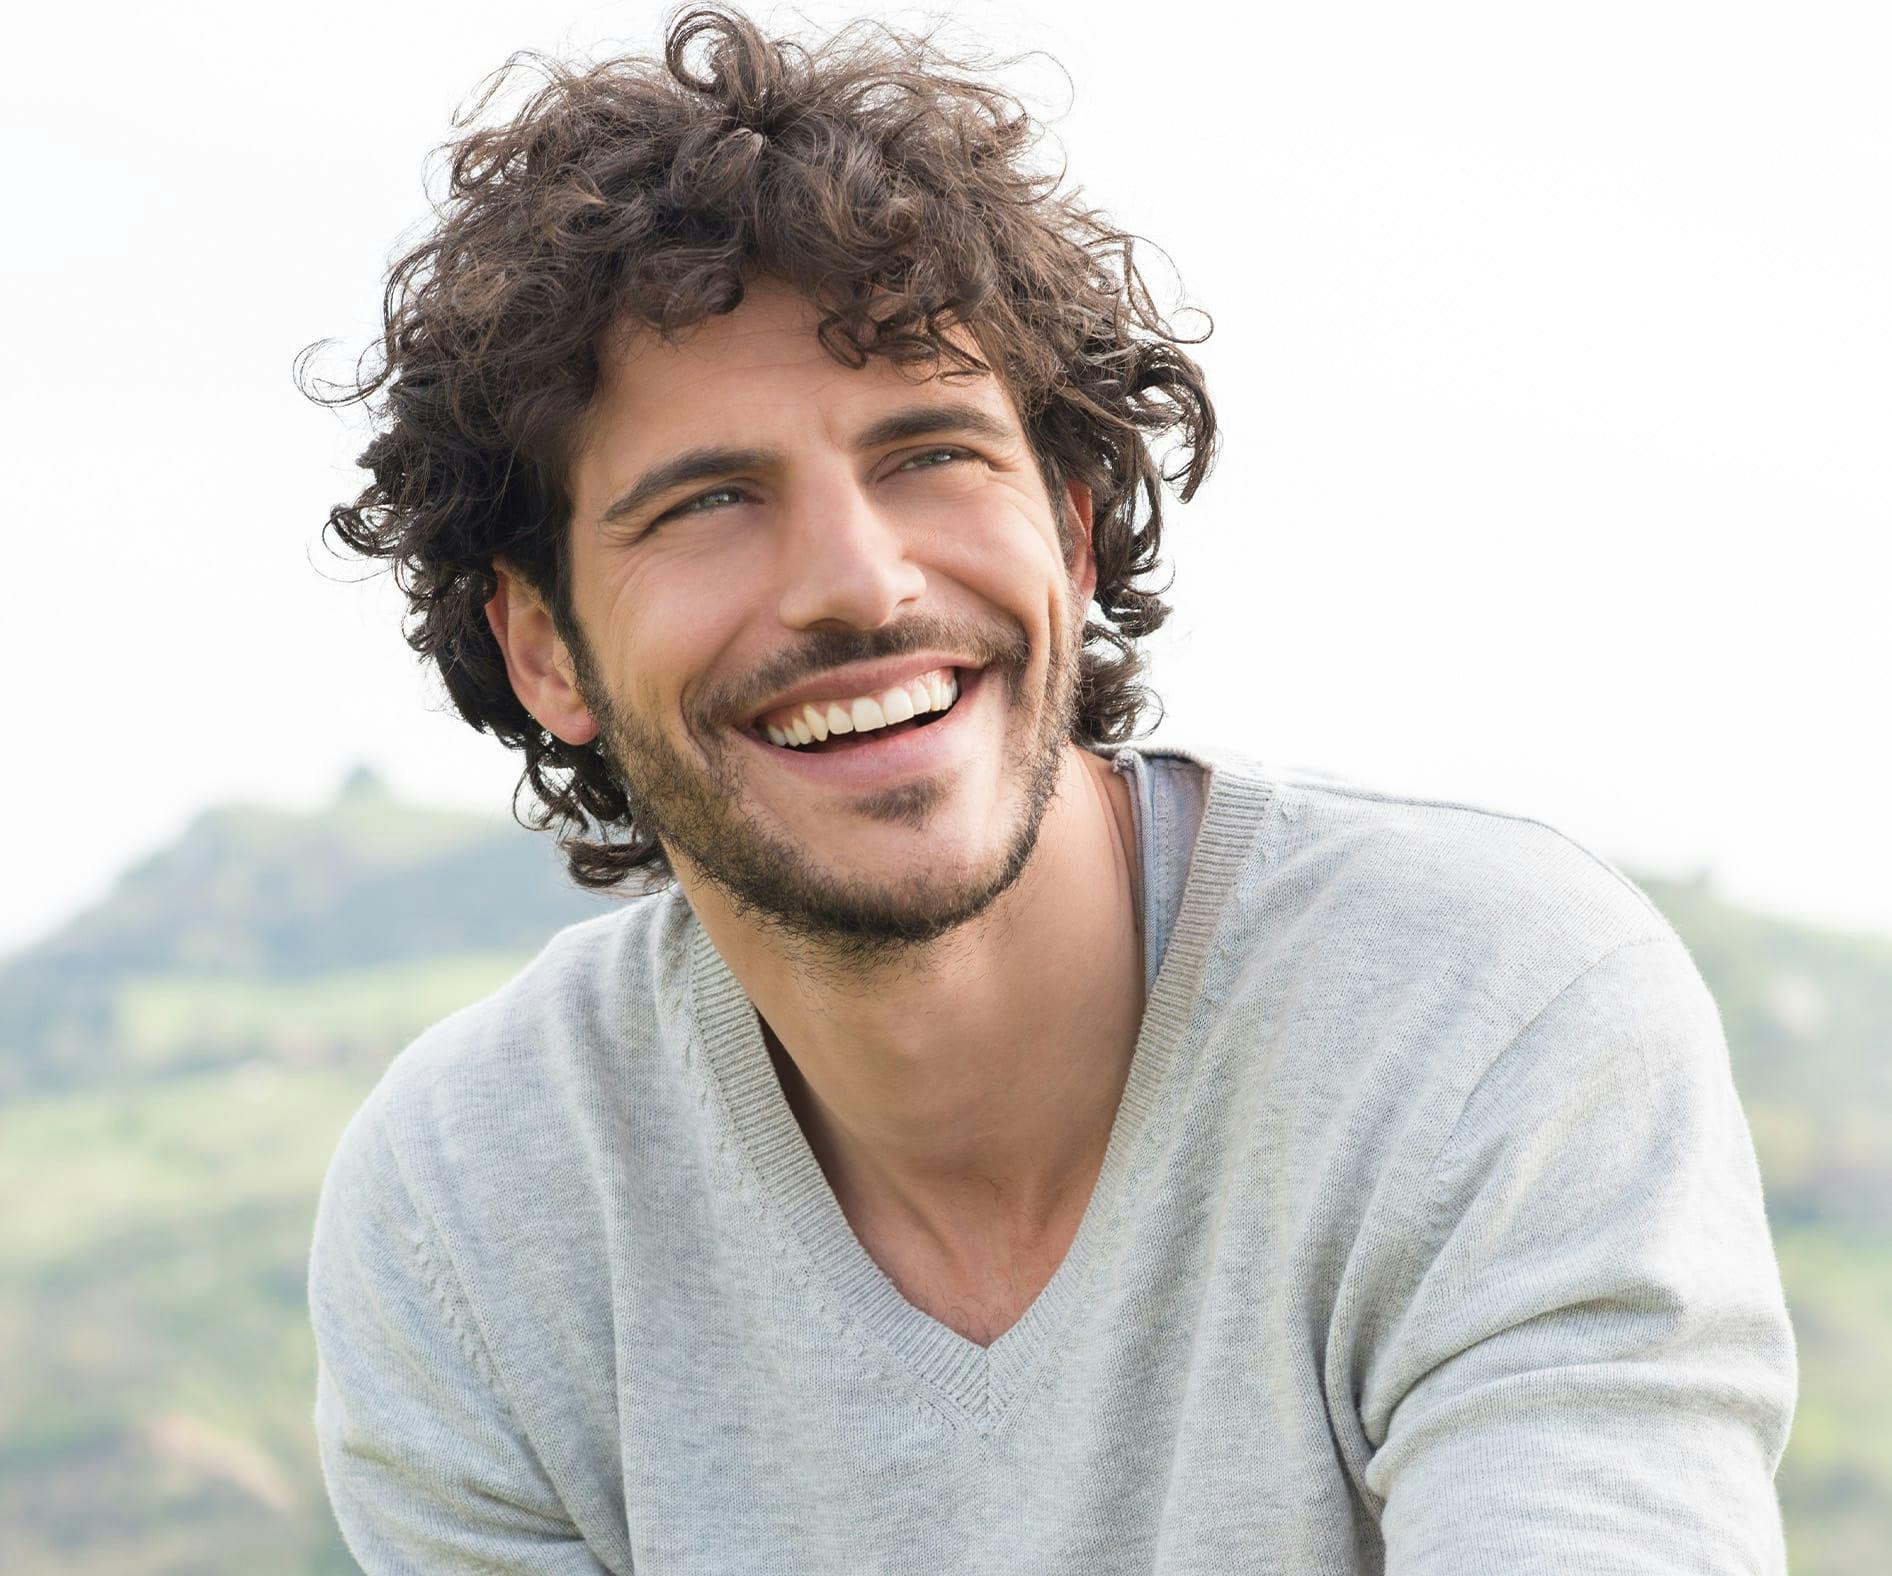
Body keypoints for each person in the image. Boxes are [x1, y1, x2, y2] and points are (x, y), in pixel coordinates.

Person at [304, 7, 1796, 1571]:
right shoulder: (472, 1211)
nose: (859, 583)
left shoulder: (1481, 1011)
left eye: (930, 454)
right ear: (545, 649)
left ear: (1071, 535)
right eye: (710, 500)